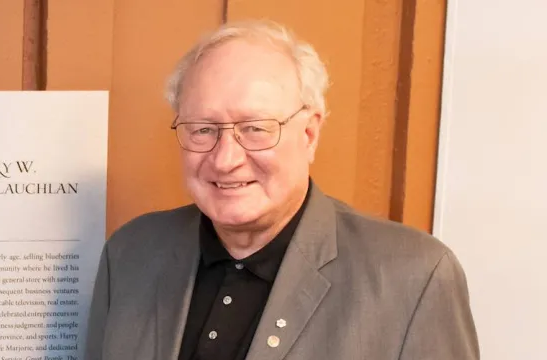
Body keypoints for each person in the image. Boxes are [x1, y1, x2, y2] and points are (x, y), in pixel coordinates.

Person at [85, 20, 478, 360]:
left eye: (255, 128)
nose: (225, 160)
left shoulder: (415, 276)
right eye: (203, 129)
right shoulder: (130, 255)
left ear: (309, 134)